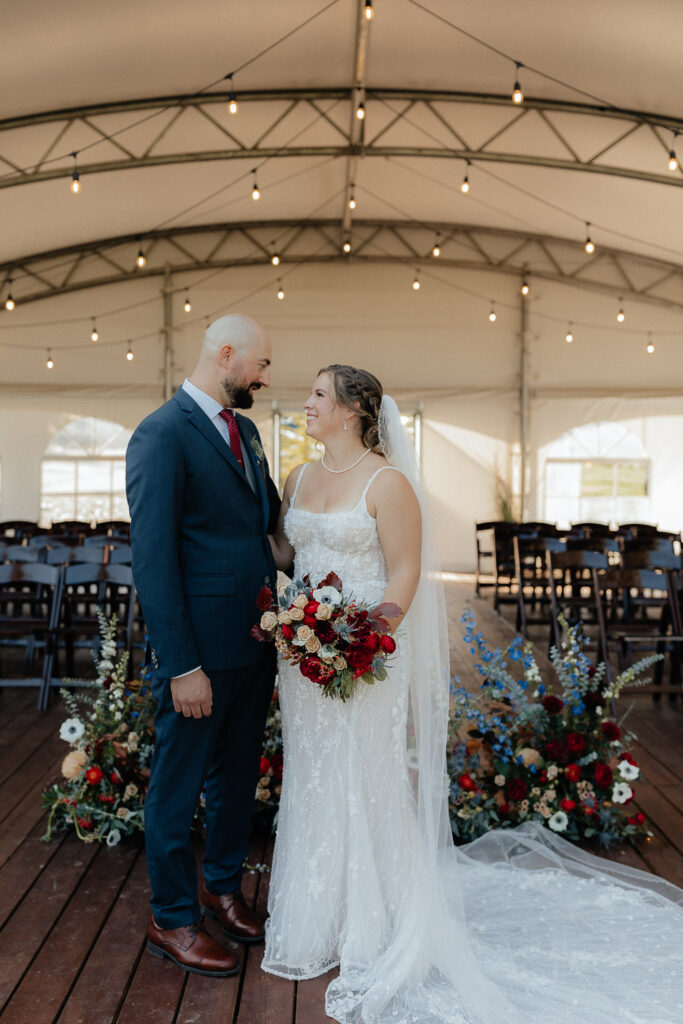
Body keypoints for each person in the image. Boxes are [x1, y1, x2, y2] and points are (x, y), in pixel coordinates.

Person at [262, 363, 683, 1024]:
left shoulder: (387, 481)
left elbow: (402, 573)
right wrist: (293, 621)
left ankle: (377, 920)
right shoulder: (298, 477)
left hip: (366, 653)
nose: (306, 404)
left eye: (318, 395)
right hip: (304, 654)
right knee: (314, 772)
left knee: (363, 772)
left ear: (350, 410)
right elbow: (288, 556)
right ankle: (317, 915)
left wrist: (359, 639)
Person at [126, 314, 280, 978]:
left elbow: (267, 522)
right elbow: (154, 562)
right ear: (225, 355)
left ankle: (221, 887)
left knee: (237, 778)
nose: (265, 378)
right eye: (260, 365)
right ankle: (172, 918)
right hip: (198, 653)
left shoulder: (243, 430)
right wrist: (181, 664)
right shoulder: (160, 435)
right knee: (176, 784)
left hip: (254, 640)